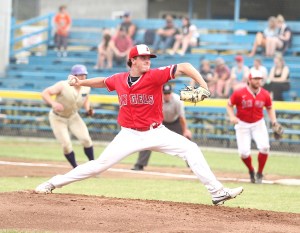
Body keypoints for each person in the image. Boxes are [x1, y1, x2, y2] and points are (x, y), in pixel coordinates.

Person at [35, 44, 243, 206]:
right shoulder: (120, 79)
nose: (147, 61)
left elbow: (186, 67)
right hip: (129, 135)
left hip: (156, 132)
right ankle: (53, 182)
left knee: (191, 148)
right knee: (98, 165)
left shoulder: (155, 76)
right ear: (132, 60)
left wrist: (203, 85)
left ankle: (217, 193)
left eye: (149, 58)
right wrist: (80, 83)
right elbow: (103, 81)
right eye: (143, 58)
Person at [226, 69, 278, 184]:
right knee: (244, 153)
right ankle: (251, 170)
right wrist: (232, 116)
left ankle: (259, 173)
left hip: (258, 123)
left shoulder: (265, 94)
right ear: (249, 80)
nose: (258, 81)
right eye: (255, 79)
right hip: (242, 124)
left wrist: (274, 121)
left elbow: (269, 107)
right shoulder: (239, 93)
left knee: (264, 147)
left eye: (260, 79)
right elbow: (229, 105)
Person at [41, 64, 94, 168]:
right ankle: (75, 167)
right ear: (73, 76)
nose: (83, 77)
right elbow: (45, 93)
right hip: (58, 118)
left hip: (73, 116)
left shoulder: (86, 87)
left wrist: (88, 109)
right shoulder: (63, 85)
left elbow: (86, 97)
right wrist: (53, 103)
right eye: (80, 75)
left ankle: (93, 165)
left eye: (84, 75)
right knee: (66, 145)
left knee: (86, 140)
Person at [132, 83, 192, 171]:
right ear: (161, 93)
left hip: (175, 122)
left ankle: (193, 166)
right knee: (148, 139)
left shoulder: (177, 100)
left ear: (171, 93)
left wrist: (185, 130)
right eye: (165, 93)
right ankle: (140, 164)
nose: (167, 95)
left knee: (187, 140)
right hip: (160, 122)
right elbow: (151, 114)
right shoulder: (157, 99)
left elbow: (181, 117)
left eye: (168, 93)